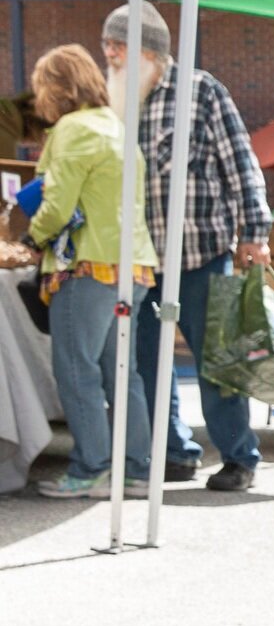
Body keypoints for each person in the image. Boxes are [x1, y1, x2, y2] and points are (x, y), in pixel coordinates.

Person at [105, 1, 272, 493]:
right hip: (141, 259)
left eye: (119, 45)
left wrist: (254, 234)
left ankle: (240, 457)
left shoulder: (200, 90)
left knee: (217, 361)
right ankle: (175, 452)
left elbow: (240, 163)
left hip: (203, 251)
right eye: (107, 47)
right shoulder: (119, 100)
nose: (110, 55)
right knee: (146, 361)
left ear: (150, 50)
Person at [26, 44, 158, 498]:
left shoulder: (72, 128)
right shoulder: (116, 126)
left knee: (77, 371)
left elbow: (57, 205)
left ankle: (89, 468)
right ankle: (135, 469)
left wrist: (30, 240)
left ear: (57, 88)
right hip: (134, 266)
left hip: (88, 267)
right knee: (123, 370)